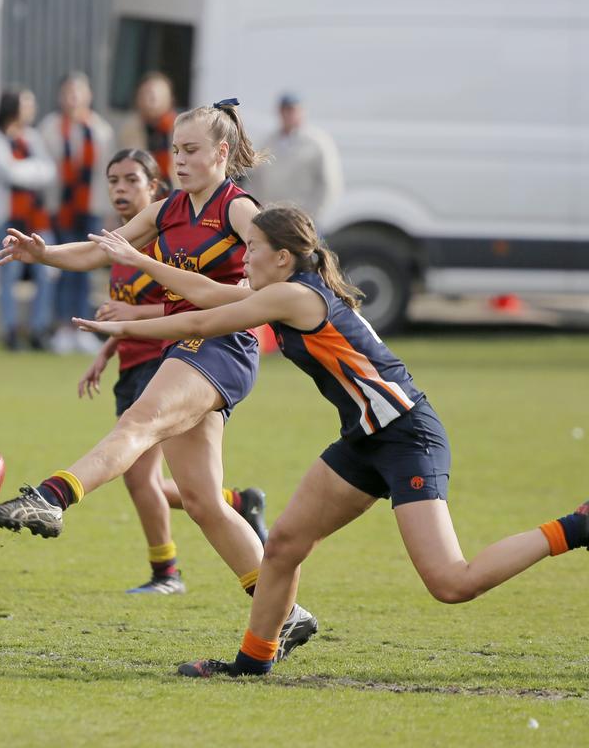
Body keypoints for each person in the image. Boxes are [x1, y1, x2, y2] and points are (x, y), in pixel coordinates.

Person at [75, 204, 589, 678]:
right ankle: (252, 663)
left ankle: (575, 526)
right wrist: (139, 292)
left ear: (281, 257)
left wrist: (134, 295)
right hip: (364, 439)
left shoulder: (295, 294)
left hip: (408, 436)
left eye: (251, 247)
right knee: (281, 547)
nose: (243, 254)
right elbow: (209, 296)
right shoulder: (286, 290)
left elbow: (207, 318)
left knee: (452, 583)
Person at [0, 100, 318, 657]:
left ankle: (50, 498)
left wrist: (239, 302)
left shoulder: (239, 209)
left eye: (190, 151)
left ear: (221, 153)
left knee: (139, 420)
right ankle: (288, 612)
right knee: (203, 500)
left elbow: (272, 282)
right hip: (194, 341)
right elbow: (99, 252)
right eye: (175, 151)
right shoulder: (168, 209)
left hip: (223, 344)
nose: (179, 161)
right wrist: (42, 255)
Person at [79, 147, 268, 594]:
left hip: (172, 359)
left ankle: (166, 572)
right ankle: (238, 504)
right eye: (113, 180)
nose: (121, 189)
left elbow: (183, 303)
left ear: (154, 188)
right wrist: (107, 351)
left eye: (131, 180)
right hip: (136, 363)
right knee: (174, 486)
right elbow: (126, 313)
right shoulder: (126, 246)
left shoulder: (168, 244)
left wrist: (131, 314)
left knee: (141, 477)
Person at [38, 71, 114, 354]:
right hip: (60, 208)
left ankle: (82, 326)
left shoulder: (100, 130)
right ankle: (61, 326)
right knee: (61, 266)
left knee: (86, 268)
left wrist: (107, 210)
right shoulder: (50, 128)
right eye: (68, 91)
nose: (73, 97)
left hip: (90, 208)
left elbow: (106, 175)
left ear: (88, 95)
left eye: (78, 91)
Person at [0, 87, 57, 351]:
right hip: (6, 218)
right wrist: (32, 169)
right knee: (8, 275)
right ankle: (9, 330)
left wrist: (25, 169)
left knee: (46, 271)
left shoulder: (32, 137)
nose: (31, 109)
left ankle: (39, 328)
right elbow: (7, 172)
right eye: (27, 104)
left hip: (36, 218)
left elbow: (49, 170)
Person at [245, 93, 343, 224]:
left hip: (303, 221)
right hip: (271, 219)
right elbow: (253, 179)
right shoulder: (267, 142)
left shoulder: (317, 143)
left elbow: (329, 184)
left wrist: (311, 215)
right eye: (284, 110)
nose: (288, 115)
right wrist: (256, 209)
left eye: (292, 110)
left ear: (302, 112)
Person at [117, 72, 178, 182]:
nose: (152, 97)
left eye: (158, 93)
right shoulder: (129, 131)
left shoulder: (180, 130)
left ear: (170, 98)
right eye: (146, 93)